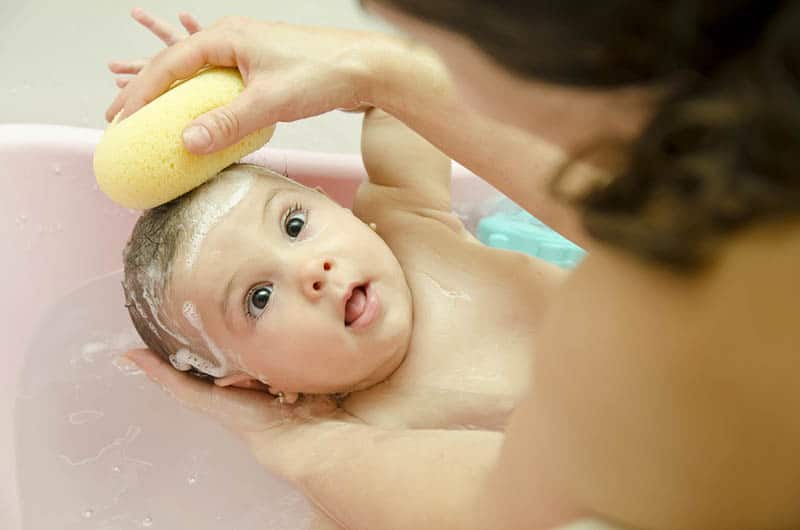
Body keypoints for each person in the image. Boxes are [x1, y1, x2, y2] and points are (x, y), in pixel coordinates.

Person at [113, 2, 800, 529]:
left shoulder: (409, 226)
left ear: (342, 207)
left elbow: (400, 118)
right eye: (258, 299)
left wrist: (234, 97)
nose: (309, 272)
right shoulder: (365, 437)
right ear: (252, 384)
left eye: (295, 224)